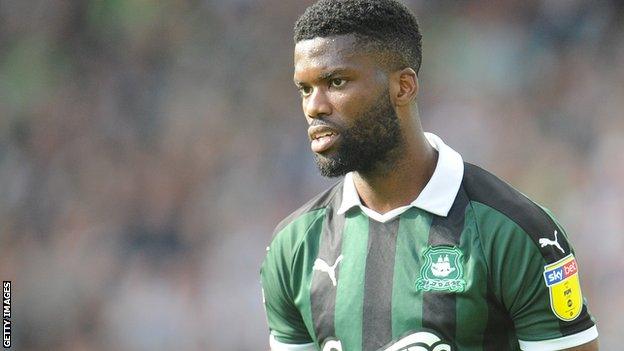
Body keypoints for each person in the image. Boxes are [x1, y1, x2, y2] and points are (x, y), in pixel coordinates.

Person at [260, 0, 599, 350]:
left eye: (337, 81)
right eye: (305, 89)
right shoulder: (294, 246)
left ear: (403, 87)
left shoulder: (514, 232)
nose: (315, 106)